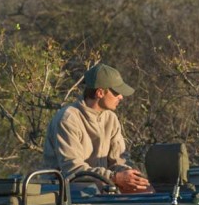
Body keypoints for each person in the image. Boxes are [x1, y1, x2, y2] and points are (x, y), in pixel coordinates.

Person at [42, 63, 150, 193]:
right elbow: (73, 170)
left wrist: (129, 175)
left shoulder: (111, 118)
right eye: (116, 92)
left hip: (102, 186)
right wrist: (114, 177)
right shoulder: (68, 119)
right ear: (99, 92)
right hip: (67, 192)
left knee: (147, 190)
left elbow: (117, 161)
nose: (121, 97)